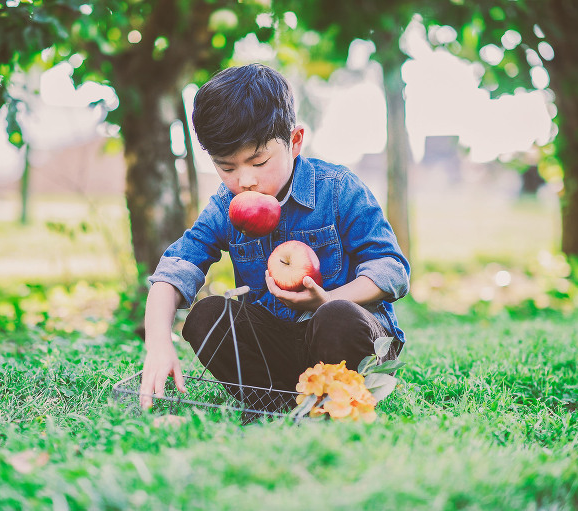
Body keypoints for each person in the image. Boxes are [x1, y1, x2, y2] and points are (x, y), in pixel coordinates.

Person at [139, 63, 410, 411]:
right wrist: (158, 342)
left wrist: (326, 300)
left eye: (258, 162)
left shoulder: (338, 189)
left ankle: (337, 395)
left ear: (294, 142)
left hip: (346, 340)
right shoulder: (226, 207)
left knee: (336, 316)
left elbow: (392, 269)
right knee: (206, 315)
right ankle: (273, 403)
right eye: (227, 167)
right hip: (280, 350)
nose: (245, 181)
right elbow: (176, 269)